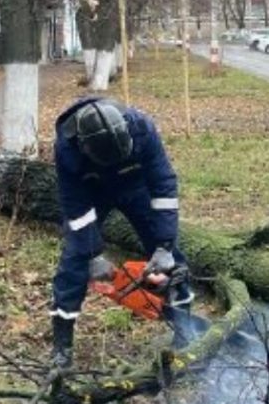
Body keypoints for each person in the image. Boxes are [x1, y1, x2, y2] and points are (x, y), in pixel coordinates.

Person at [50, 97, 193, 368]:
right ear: (84, 145)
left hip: (135, 184)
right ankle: (62, 345)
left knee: (170, 255)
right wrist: (92, 254)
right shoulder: (67, 149)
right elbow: (75, 207)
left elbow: (163, 185)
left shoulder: (142, 128)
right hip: (92, 191)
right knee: (74, 261)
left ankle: (185, 326)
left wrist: (163, 245)